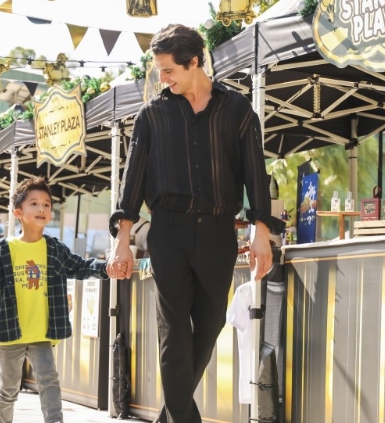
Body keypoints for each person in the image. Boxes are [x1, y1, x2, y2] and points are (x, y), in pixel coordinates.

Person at [107, 24, 284, 423]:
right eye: (159, 71)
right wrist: (122, 241)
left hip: (219, 233)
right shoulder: (152, 115)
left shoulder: (237, 110)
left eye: (168, 70)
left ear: (194, 62)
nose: (162, 79)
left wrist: (261, 234)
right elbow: (132, 181)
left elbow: (255, 174)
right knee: (173, 333)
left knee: (208, 327)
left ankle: (169, 417)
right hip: (167, 233)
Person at [0, 177, 117, 423]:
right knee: (8, 389)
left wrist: (106, 268)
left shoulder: (54, 247)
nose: (42, 208)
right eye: (34, 203)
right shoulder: (4, 248)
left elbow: (79, 266)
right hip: (9, 333)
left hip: (42, 333)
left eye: (47, 204)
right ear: (18, 212)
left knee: (49, 381)